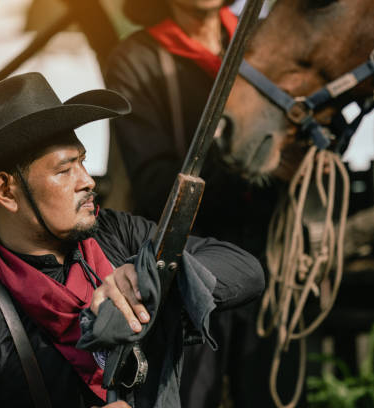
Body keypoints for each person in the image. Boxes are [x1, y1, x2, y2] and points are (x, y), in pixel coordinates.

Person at [0, 72, 265, 407]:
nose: (88, 180)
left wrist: (149, 276)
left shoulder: (118, 236)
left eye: (83, 161)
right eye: (65, 170)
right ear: (6, 190)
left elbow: (246, 271)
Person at [104, 1, 286, 407]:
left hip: (269, 258)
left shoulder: (265, 40)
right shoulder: (135, 61)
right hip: (189, 270)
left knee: (271, 392)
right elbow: (154, 188)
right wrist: (236, 150)